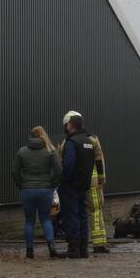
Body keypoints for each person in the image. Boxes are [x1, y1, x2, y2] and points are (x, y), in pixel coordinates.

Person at [12, 125, 63, 259]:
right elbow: (58, 170)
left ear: (30, 136)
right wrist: (53, 184)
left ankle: (29, 251)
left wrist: (21, 184)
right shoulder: (50, 150)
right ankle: (51, 246)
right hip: (45, 189)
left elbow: (15, 171)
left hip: (27, 189)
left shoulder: (22, 151)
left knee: (29, 220)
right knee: (46, 218)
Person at [59, 111, 96, 259]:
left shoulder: (72, 142)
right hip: (84, 183)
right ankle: (83, 248)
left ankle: (73, 248)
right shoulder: (89, 141)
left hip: (71, 185)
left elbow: (68, 164)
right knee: (83, 214)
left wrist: (64, 180)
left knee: (71, 215)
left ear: (71, 125)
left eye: (67, 124)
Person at [87, 132, 110, 254]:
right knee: (96, 211)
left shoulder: (66, 142)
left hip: (75, 183)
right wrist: (102, 179)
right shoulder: (93, 140)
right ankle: (99, 243)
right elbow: (100, 161)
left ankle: (77, 245)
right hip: (94, 183)